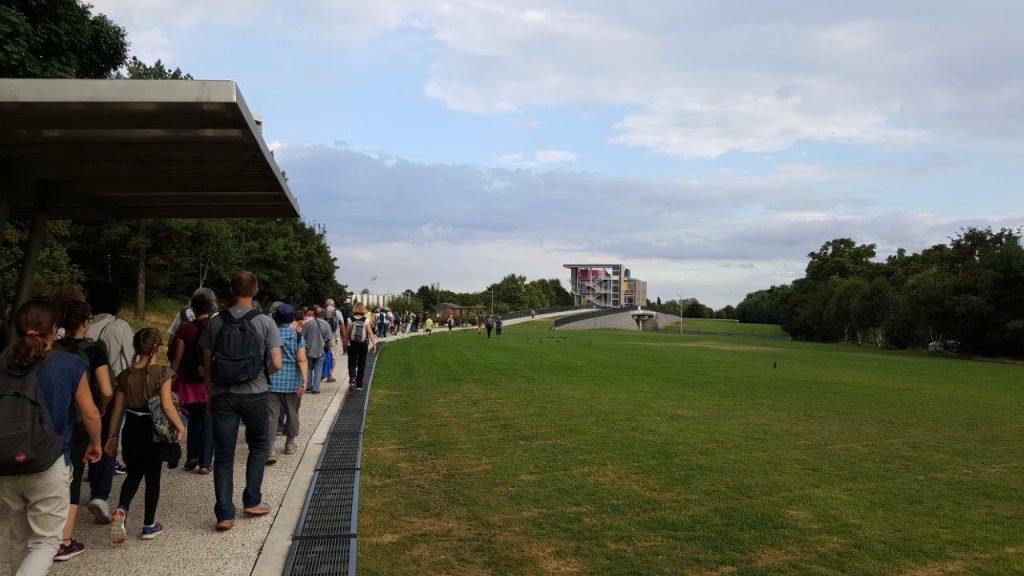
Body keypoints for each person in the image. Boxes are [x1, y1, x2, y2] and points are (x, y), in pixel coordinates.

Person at [0, 300, 102, 576]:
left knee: (20, 539)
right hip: (49, 459)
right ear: (55, 329)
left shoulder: (4, 363)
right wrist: (96, 444)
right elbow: (90, 413)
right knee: (45, 543)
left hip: (6, 461)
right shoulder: (69, 364)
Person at [200, 271, 283, 531]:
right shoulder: (265, 322)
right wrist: (259, 372)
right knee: (258, 447)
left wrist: (210, 393)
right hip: (255, 393)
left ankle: (224, 514)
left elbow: (206, 364)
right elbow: (277, 363)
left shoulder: (215, 321)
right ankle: (252, 500)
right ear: (255, 291)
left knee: (223, 456)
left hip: (223, 394)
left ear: (231, 290)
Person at [105, 328, 184, 543]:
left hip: (131, 428)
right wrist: (180, 427)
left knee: (133, 473)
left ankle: (122, 508)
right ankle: (149, 525)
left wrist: (112, 436)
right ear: (158, 347)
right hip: (153, 431)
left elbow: (117, 409)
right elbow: (167, 405)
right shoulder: (162, 373)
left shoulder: (126, 375)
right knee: (153, 478)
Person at [54, 301, 114, 561]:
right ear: (86, 322)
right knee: (74, 476)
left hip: (52, 418)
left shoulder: (52, 348)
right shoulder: (95, 350)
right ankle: (64, 540)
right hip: (79, 418)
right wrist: (102, 407)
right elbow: (107, 388)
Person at [85, 283, 133, 480]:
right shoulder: (120, 326)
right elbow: (130, 358)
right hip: (113, 386)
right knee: (110, 433)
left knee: (87, 429)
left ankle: (88, 463)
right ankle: (102, 476)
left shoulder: (85, 325)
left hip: (85, 386)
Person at [171, 292, 214, 475]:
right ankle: (205, 462)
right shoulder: (214, 327)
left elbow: (177, 357)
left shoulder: (185, 329)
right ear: (210, 308)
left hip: (188, 381)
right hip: (208, 382)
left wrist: (172, 377)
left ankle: (191, 457)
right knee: (208, 420)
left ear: (193, 309)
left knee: (193, 420)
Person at [266, 304, 307, 464]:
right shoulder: (297, 336)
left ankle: (270, 449)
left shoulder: (270, 335)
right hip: (292, 380)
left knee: (271, 415)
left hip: (272, 378)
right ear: (293, 319)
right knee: (292, 412)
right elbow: (301, 359)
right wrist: (304, 380)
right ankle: (290, 443)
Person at [166, 287, 218, 363]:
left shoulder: (182, 315)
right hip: (203, 364)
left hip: (183, 362)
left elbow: (171, 341)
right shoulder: (216, 318)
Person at [343, 302, 377, 391]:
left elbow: (347, 333)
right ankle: (359, 384)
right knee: (362, 363)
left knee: (351, 363)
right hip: (363, 344)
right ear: (363, 309)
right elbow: (370, 332)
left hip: (352, 344)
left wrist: (345, 342)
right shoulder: (366, 320)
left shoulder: (349, 319)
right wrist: (374, 344)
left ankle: (352, 378)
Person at [303, 308, 332, 394]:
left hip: (309, 349)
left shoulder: (308, 323)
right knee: (318, 369)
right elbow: (329, 338)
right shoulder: (326, 324)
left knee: (308, 368)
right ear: (323, 314)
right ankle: (315, 388)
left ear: (314, 314)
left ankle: (308, 386)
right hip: (320, 349)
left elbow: (303, 336)